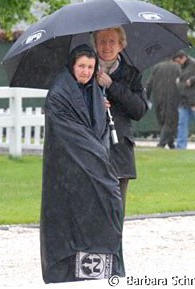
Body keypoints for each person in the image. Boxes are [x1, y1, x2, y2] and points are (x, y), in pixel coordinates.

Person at [40, 44, 125, 284]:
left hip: (94, 164)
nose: (86, 72)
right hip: (68, 168)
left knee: (100, 210)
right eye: (81, 66)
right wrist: (98, 161)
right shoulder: (59, 93)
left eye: (90, 67)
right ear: (72, 66)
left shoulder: (94, 91)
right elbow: (71, 133)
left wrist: (100, 104)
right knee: (71, 218)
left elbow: (95, 128)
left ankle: (99, 268)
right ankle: (68, 270)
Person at [93, 27, 148, 217]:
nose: (106, 46)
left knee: (116, 209)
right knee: (92, 205)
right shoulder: (84, 69)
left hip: (120, 147)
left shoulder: (132, 74)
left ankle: (115, 247)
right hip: (91, 147)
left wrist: (111, 85)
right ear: (95, 45)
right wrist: (93, 102)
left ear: (121, 45)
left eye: (111, 42)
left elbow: (139, 110)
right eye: (102, 41)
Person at [146, 59, 181, 149]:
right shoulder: (177, 67)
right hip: (173, 97)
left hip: (158, 97)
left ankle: (170, 143)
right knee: (170, 121)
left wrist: (146, 97)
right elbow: (182, 83)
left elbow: (150, 82)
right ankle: (161, 144)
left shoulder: (157, 67)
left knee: (162, 120)